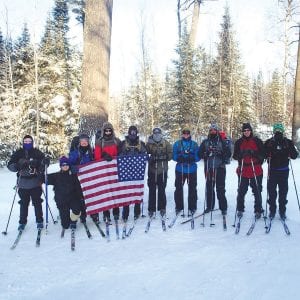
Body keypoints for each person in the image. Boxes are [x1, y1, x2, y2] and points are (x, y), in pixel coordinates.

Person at [7, 135, 46, 230]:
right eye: (26, 141)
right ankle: (22, 222)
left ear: (32, 142)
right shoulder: (18, 153)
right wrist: (16, 166)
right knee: (24, 203)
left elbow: (44, 164)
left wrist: (40, 163)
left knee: (37, 202)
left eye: (29, 141)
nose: (27, 143)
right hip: (22, 182)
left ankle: (39, 220)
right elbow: (10, 165)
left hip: (35, 181)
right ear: (23, 142)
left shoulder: (37, 152)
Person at [264, 123, 298, 219]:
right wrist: (267, 152)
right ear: (274, 131)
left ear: (282, 131)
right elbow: (263, 154)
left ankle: (282, 211)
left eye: (279, 130)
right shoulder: (269, 142)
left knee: (283, 191)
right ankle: (272, 210)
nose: (278, 132)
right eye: (276, 130)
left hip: (284, 171)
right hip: (273, 170)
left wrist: (290, 151)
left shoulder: (288, 142)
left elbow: (294, 156)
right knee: (271, 191)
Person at [232, 123, 265, 218]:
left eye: (248, 130)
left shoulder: (257, 141)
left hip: (256, 169)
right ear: (242, 132)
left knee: (257, 190)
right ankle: (240, 209)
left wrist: (254, 153)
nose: (246, 132)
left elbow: (263, 155)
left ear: (251, 131)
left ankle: (258, 210)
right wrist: (241, 154)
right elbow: (235, 156)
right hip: (243, 169)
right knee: (241, 191)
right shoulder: (239, 142)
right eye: (244, 131)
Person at [198, 124, 231, 215]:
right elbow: (199, 154)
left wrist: (221, 154)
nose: (213, 131)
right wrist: (205, 153)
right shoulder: (205, 142)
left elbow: (228, 153)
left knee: (220, 188)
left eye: (214, 130)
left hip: (220, 167)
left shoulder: (222, 141)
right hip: (209, 167)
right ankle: (210, 206)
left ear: (217, 131)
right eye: (211, 130)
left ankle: (223, 207)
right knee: (209, 187)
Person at [119, 125, 148, 221]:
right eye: (131, 132)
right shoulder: (123, 144)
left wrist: (146, 157)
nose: (132, 134)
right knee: (126, 192)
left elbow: (145, 154)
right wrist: (124, 155)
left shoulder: (141, 143)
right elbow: (118, 155)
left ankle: (137, 212)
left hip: (137, 172)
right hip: (126, 171)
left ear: (136, 133)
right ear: (128, 133)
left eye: (134, 132)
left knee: (137, 191)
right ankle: (125, 213)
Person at [94, 122, 121, 222]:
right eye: (106, 130)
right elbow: (96, 157)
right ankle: (106, 213)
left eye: (110, 130)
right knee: (106, 191)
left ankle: (116, 212)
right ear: (103, 131)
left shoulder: (116, 141)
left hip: (114, 170)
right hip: (104, 171)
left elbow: (121, 153)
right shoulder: (99, 142)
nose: (108, 132)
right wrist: (103, 156)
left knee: (115, 191)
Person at [47, 156, 82, 230]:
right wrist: (44, 165)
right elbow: (44, 178)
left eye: (67, 165)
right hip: (61, 200)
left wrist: (80, 198)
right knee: (65, 225)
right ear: (60, 166)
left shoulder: (73, 175)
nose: (65, 166)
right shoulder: (56, 176)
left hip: (72, 198)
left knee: (77, 210)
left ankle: (73, 221)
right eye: (63, 165)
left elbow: (78, 187)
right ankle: (64, 218)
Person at [69, 133, 96, 224]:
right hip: (78, 178)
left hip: (89, 178)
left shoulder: (92, 152)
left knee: (91, 195)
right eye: (82, 141)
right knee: (81, 197)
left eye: (86, 141)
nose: (84, 143)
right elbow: (69, 164)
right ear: (79, 142)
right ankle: (82, 215)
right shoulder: (75, 152)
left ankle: (93, 213)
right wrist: (74, 168)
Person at [173, 127, 200, 216]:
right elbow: (173, 155)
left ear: (190, 134)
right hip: (180, 169)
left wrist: (193, 158)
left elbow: (198, 156)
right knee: (179, 188)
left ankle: (192, 207)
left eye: (187, 133)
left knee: (192, 188)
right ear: (182, 134)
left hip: (191, 169)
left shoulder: (194, 144)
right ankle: (179, 206)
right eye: (184, 133)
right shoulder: (177, 144)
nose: (186, 135)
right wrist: (178, 158)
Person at [146, 127, 172, 219]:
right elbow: (145, 154)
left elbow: (170, 154)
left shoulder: (165, 143)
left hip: (162, 170)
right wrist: (151, 158)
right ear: (153, 134)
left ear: (161, 134)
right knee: (152, 190)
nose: (157, 135)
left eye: (158, 133)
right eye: (155, 133)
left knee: (161, 189)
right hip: (152, 170)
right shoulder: (149, 143)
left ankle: (162, 207)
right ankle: (151, 209)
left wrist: (164, 156)